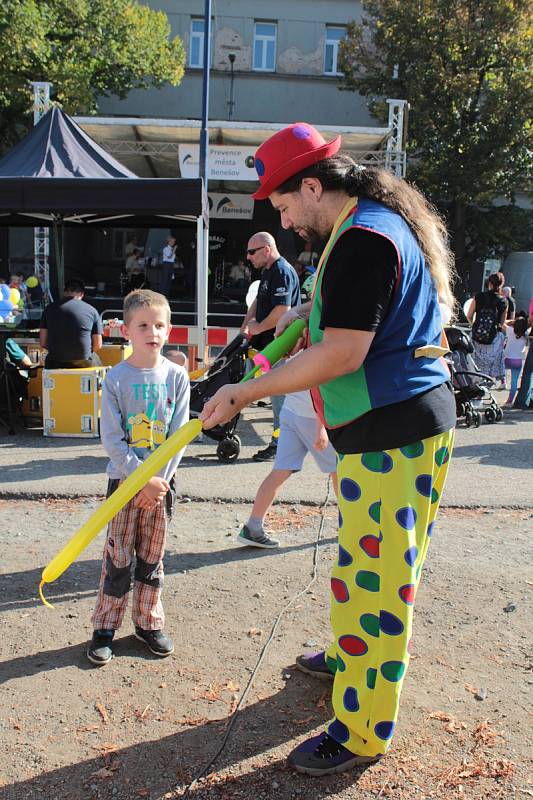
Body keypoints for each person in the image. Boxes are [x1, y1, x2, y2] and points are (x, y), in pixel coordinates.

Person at [201, 122, 456, 776]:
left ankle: (363, 732)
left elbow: (344, 350)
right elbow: (325, 316)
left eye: (285, 206)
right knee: (362, 569)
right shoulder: (357, 228)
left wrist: (245, 393)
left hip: (392, 434)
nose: (284, 222)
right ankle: (351, 657)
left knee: (378, 585)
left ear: (313, 187)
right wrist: (284, 331)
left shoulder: (364, 240)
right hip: (387, 432)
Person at [87, 289, 190, 666]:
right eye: (143, 325)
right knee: (118, 557)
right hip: (124, 484)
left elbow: (180, 435)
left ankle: (148, 623)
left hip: (162, 487)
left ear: (169, 329)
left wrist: (158, 482)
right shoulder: (115, 378)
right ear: (126, 331)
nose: (153, 331)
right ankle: (105, 627)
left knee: (152, 557)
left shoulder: (177, 376)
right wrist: (140, 480)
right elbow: (112, 440)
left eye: (160, 325)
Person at [237, 376, 337, 549]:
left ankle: (253, 526)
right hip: (311, 417)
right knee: (339, 471)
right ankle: (351, 526)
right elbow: (320, 387)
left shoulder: (294, 350)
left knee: (280, 471)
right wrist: (321, 428)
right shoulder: (318, 349)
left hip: (290, 411)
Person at [240, 231, 300, 461]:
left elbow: (282, 311)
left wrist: (258, 327)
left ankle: (280, 444)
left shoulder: (282, 272)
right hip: (270, 349)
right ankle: (283, 441)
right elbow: (258, 301)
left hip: (281, 347)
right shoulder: (268, 272)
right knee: (273, 395)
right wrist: (245, 326)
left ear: (267, 249)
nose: (248, 257)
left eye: (252, 252)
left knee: (280, 399)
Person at [40, 279, 103, 369]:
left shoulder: (49, 309)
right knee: (96, 361)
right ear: (82, 294)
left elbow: (43, 343)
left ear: (65, 292)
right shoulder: (92, 310)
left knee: (49, 360)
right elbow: (98, 345)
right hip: (83, 360)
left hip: (55, 361)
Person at [467, 272, 507, 388]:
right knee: (488, 371)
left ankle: (474, 394)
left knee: (474, 368)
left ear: (489, 282)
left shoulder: (478, 296)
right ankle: (485, 392)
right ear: (501, 284)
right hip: (493, 340)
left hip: (476, 338)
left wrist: (475, 326)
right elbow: (501, 323)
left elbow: (469, 316)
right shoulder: (504, 301)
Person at [503, 317, 529, 406]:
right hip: (518, 361)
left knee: (500, 372)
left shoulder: (510, 330)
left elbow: (501, 323)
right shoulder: (526, 333)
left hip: (506, 359)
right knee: (514, 382)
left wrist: (511, 321)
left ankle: (503, 381)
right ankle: (509, 401)